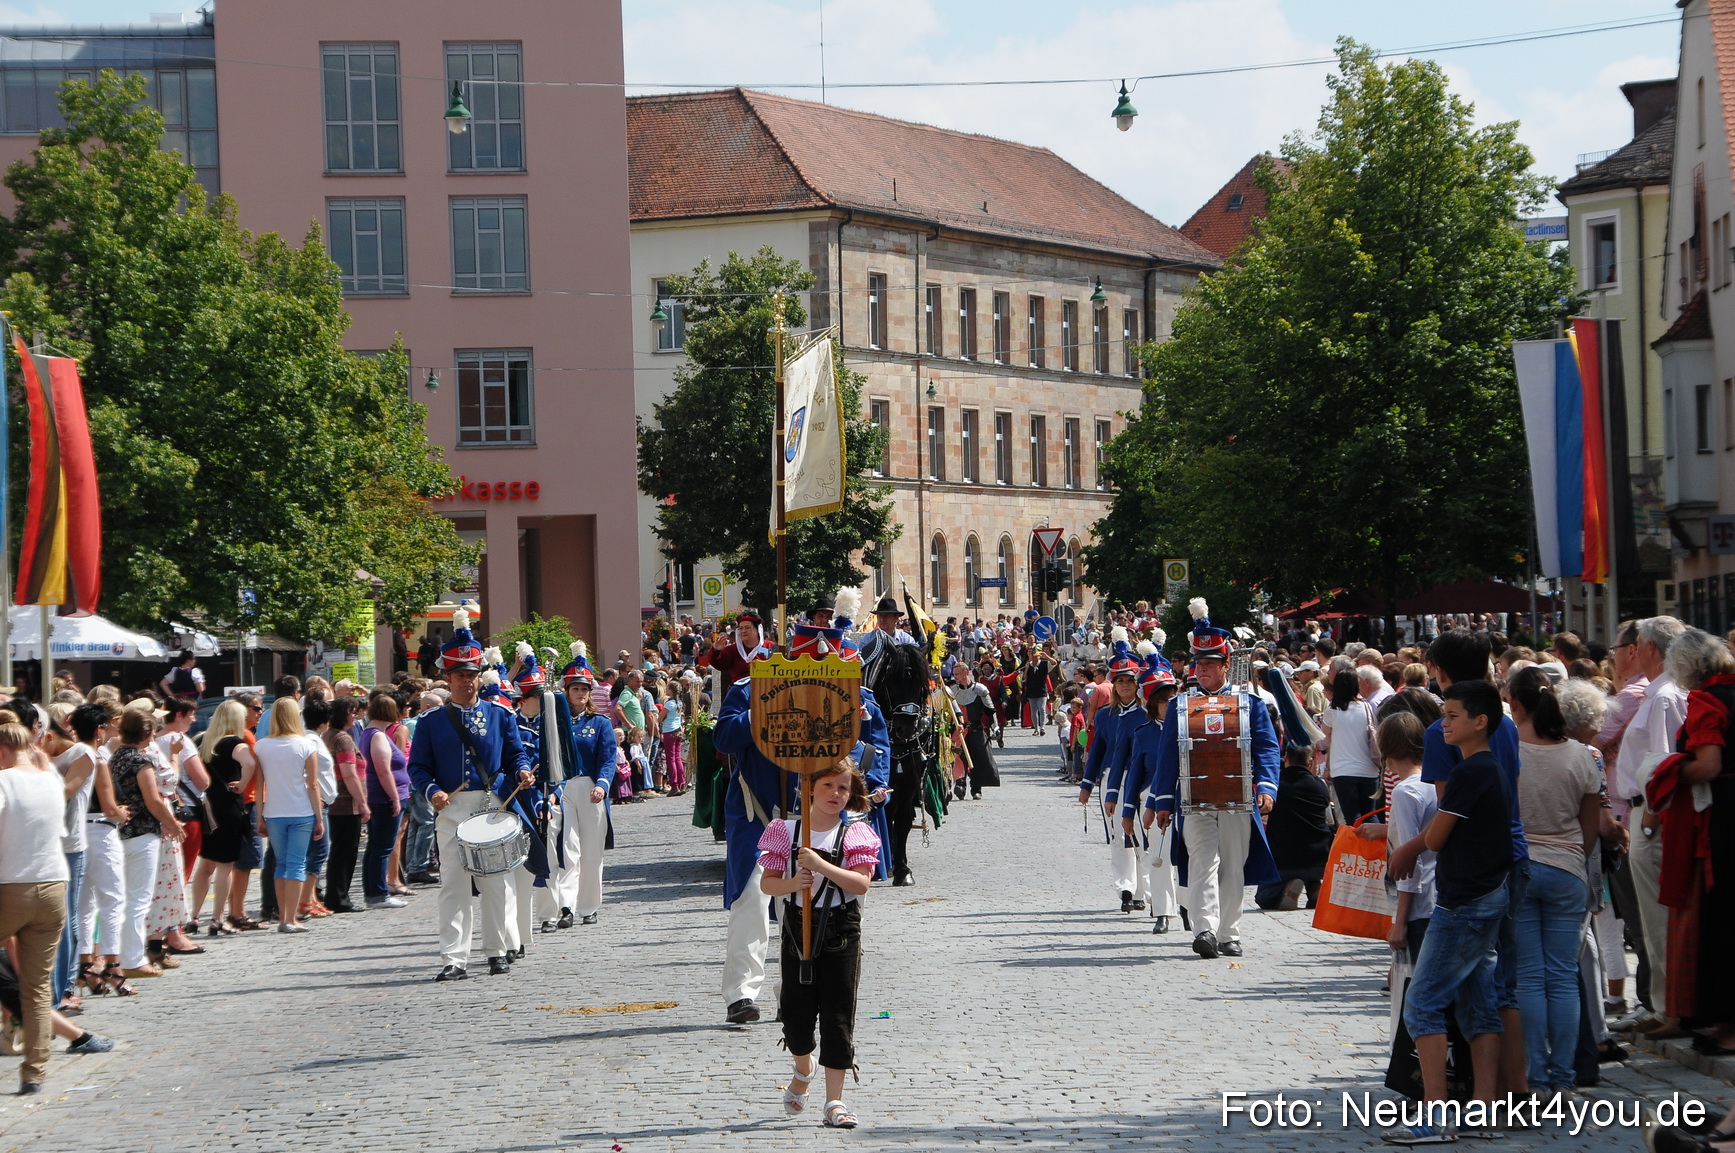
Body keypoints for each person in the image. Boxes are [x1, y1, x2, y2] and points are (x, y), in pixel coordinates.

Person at [710, 654, 889, 1026]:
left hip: (819, 820)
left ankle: (790, 994)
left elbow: (868, 753)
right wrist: (765, 709)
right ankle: (742, 994)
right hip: (758, 817)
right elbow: (724, 739)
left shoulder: (852, 693)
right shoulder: (749, 690)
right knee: (751, 904)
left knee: (808, 908)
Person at [1382, 680, 1510, 1145]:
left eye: (1453, 715)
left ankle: (1435, 1116)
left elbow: (1436, 837)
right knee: (1479, 1006)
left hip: (1464, 902)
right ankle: (1487, 1110)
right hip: (1485, 894)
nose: (1444, 723)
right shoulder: (1485, 768)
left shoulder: (1472, 771)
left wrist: (1407, 849)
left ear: (1480, 722)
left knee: (1423, 1005)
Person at [1146, 599, 1281, 960]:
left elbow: (1268, 748)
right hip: (1194, 801)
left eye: (1209, 664)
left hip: (1238, 800)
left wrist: (1267, 787)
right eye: (1198, 663)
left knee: (1233, 866)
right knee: (1202, 862)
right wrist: (1162, 800)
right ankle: (1204, 929)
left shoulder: (1249, 703)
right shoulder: (1179, 705)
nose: (1201, 669)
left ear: (1224, 666)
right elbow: (1167, 757)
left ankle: (1229, 933)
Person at [406, 610, 534, 981]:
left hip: (491, 805)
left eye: (472, 675)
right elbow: (418, 768)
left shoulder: (499, 715)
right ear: (448, 678)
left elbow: (515, 754)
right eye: (460, 676)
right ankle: (454, 958)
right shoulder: (431, 722)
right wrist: (432, 791)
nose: (467, 682)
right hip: (451, 809)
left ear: (480, 676)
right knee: (453, 884)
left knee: (496, 882)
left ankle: (496, 951)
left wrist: (522, 770)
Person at [756, 756, 881, 1130]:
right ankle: (803, 1067)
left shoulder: (855, 834)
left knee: (838, 1014)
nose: (836, 794)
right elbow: (768, 883)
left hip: (841, 926)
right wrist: (794, 883)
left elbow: (860, 884)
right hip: (797, 926)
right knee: (795, 1015)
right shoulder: (786, 830)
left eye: (843, 787)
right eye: (827, 785)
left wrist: (821, 865)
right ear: (809, 788)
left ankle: (834, 1101)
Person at [1504, 666, 1600, 1094]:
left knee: (1528, 978)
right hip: (1567, 867)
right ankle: (1564, 1078)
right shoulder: (1580, 755)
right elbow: (1590, 824)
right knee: (1562, 976)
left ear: (1516, 705)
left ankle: (1536, 1078)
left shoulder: (1509, 751)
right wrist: (1577, 857)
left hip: (1522, 864)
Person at [1613, 616, 1688, 1040]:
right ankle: (1662, 1003)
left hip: (1651, 813)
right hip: (1644, 810)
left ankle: (1669, 1006)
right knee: (1650, 916)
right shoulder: (1659, 692)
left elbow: (1663, 760)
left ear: (1653, 649)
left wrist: (1651, 821)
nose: (1631, 652)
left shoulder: (1662, 696)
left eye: (1638, 645)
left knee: (1658, 917)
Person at [0, 719, 72, 1093]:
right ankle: (34, 1072)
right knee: (37, 986)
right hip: (53, 884)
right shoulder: (51, 780)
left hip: (12, 886)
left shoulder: (4, 780)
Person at [538, 643, 616, 931]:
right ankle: (567, 906)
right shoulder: (555, 723)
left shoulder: (600, 723)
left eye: (585, 689)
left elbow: (608, 758)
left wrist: (602, 785)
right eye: (575, 689)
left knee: (592, 852)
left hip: (591, 789)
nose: (581, 694)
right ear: (566, 691)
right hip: (563, 789)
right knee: (567, 850)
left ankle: (589, 906)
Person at [110, 708, 185, 976]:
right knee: (138, 900)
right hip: (142, 832)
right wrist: (173, 823)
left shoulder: (115, 756)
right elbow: (153, 800)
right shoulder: (140, 761)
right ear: (147, 733)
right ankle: (133, 960)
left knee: (121, 899)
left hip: (120, 832)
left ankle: (120, 956)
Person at [244, 698, 324, 935]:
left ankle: (283, 916)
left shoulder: (261, 745)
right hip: (301, 810)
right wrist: (319, 818)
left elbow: (259, 784)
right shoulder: (306, 745)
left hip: (273, 811)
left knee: (281, 863)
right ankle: (291, 917)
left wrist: (259, 816)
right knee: (297, 863)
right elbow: (313, 784)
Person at [1079, 635, 1146, 912]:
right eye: (1120, 681)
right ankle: (1126, 888)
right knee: (1120, 835)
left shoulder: (1146, 714)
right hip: (1113, 781)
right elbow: (1096, 751)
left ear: (1137, 683)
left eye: (1130, 680)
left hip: (1143, 780)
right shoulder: (1105, 715)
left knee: (1143, 833)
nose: (1125, 686)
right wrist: (1086, 785)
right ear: (1114, 684)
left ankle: (1145, 889)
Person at [1121, 644, 1181, 931]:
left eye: (1174, 698)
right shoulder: (1143, 734)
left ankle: (1188, 907)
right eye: (1165, 700)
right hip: (1153, 803)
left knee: (1190, 859)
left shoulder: (1189, 729)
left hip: (1188, 799)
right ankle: (1162, 910)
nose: (1171, 705)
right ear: (1152, 703)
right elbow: (1134, 775)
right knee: (1159, 858)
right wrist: (1128, 811)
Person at [189, 700, 259, 936]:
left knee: (205, 865)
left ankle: (194, 916)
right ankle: (217, 918)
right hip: (228, 806)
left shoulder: (201, 739)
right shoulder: (235, 743)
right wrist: (241, 783)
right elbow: (249, 763)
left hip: (206, 805)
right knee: (225, 866)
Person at [1379, 711, 1437, 964]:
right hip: (1438, 896)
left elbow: (1410, 862)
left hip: (1419, 906)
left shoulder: (1406, 791)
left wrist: (1400, 921)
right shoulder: (1435, 784)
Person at [1252, 743, 1332, 912]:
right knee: (1309, 846)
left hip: (1285, 857)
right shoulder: (1320, 786)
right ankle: (1315, 887)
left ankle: (1289, 885)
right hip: (1317, 856)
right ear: (1310, 762)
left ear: (1286, 758)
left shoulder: (1276, 786)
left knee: (1263, 898)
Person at [319, 697, 367, 914]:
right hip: (347, 802)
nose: (355, 716)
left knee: (339, 850)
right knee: (346, 852)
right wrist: (363, 803)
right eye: (352, 712)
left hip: (335, 801)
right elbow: (349, 774)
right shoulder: (342, 739)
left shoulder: (327, 735)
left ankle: (336, 895)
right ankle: (339, 897)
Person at [1322, 668, 1381, 824]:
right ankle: (1375, 848)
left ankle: (1356, 849)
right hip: (1369, 769)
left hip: (1343, 770)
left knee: (1352, 817)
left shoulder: (1332, 711)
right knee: (1370, 814)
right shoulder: (1367, 707)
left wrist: (1327, 767)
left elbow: (1326, 737)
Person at [946, 663, 999, 801]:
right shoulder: (953, 691)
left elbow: (990, 711)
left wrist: (995, 727)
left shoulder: (980, 690)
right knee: (959, 758)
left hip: (976, 730)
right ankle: (960, 784)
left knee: (978, 759)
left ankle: (976, 788)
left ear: (965, 673)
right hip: (959, 731)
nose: (954, 676)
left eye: (957, 674)